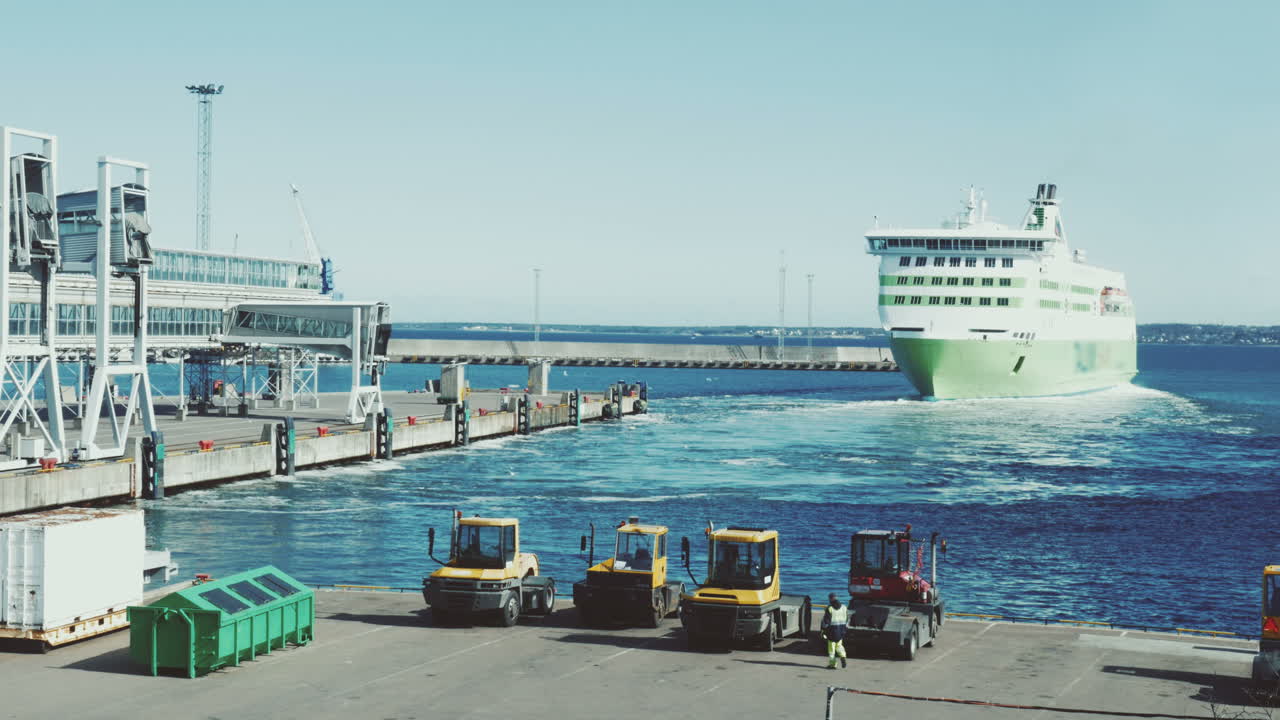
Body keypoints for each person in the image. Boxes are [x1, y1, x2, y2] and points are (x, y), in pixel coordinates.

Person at [820, 593, 848, 669]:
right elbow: (846, 619)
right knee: (839, 645)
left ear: (830, 599)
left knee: (831, 649)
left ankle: (833, 664)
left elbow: (826, 622)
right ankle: (843, 656)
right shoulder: (844, 607)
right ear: (837, 597)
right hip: (841, 630)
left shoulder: (830, 608)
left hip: (832, 631)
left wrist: (823, 630)